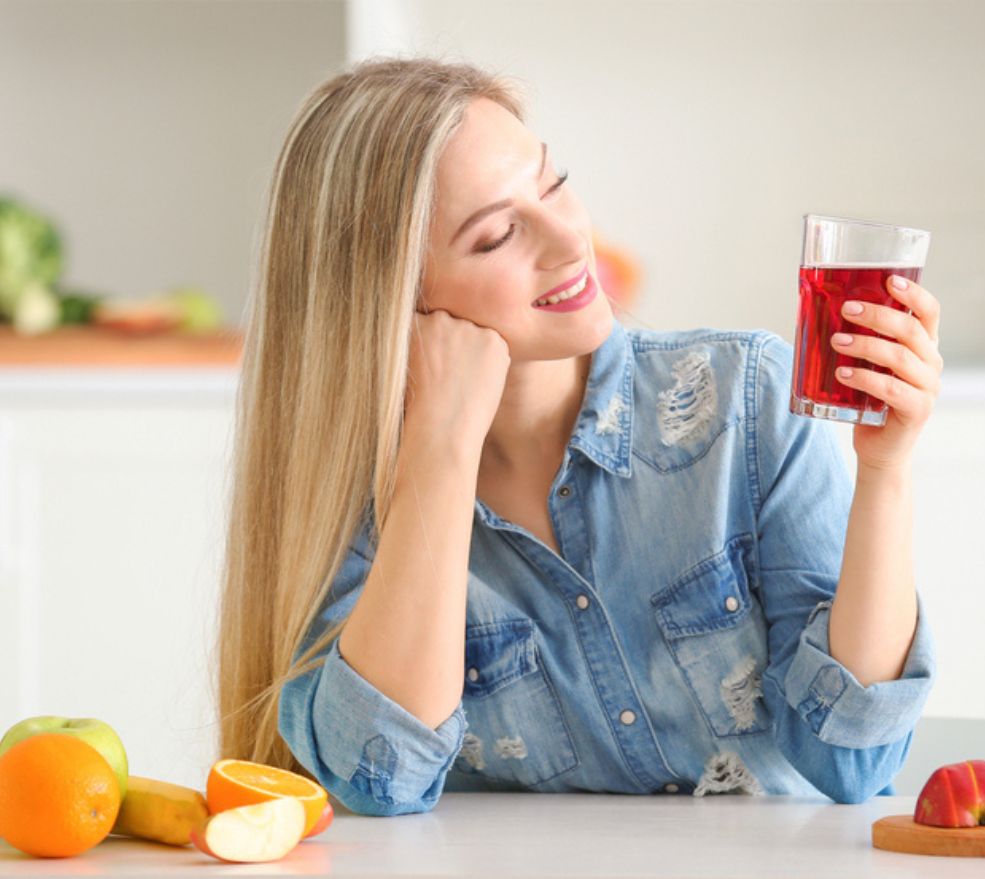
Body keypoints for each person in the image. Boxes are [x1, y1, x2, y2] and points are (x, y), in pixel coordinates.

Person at [214, 56, 942, 816]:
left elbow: (850, 758)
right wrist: (440, 452)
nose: (570, 240)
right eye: (498, 234)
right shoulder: (348, 494)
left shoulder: (745, 399)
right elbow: (383, 780)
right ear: (392, 300)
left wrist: (886, 469)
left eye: (555, 184)